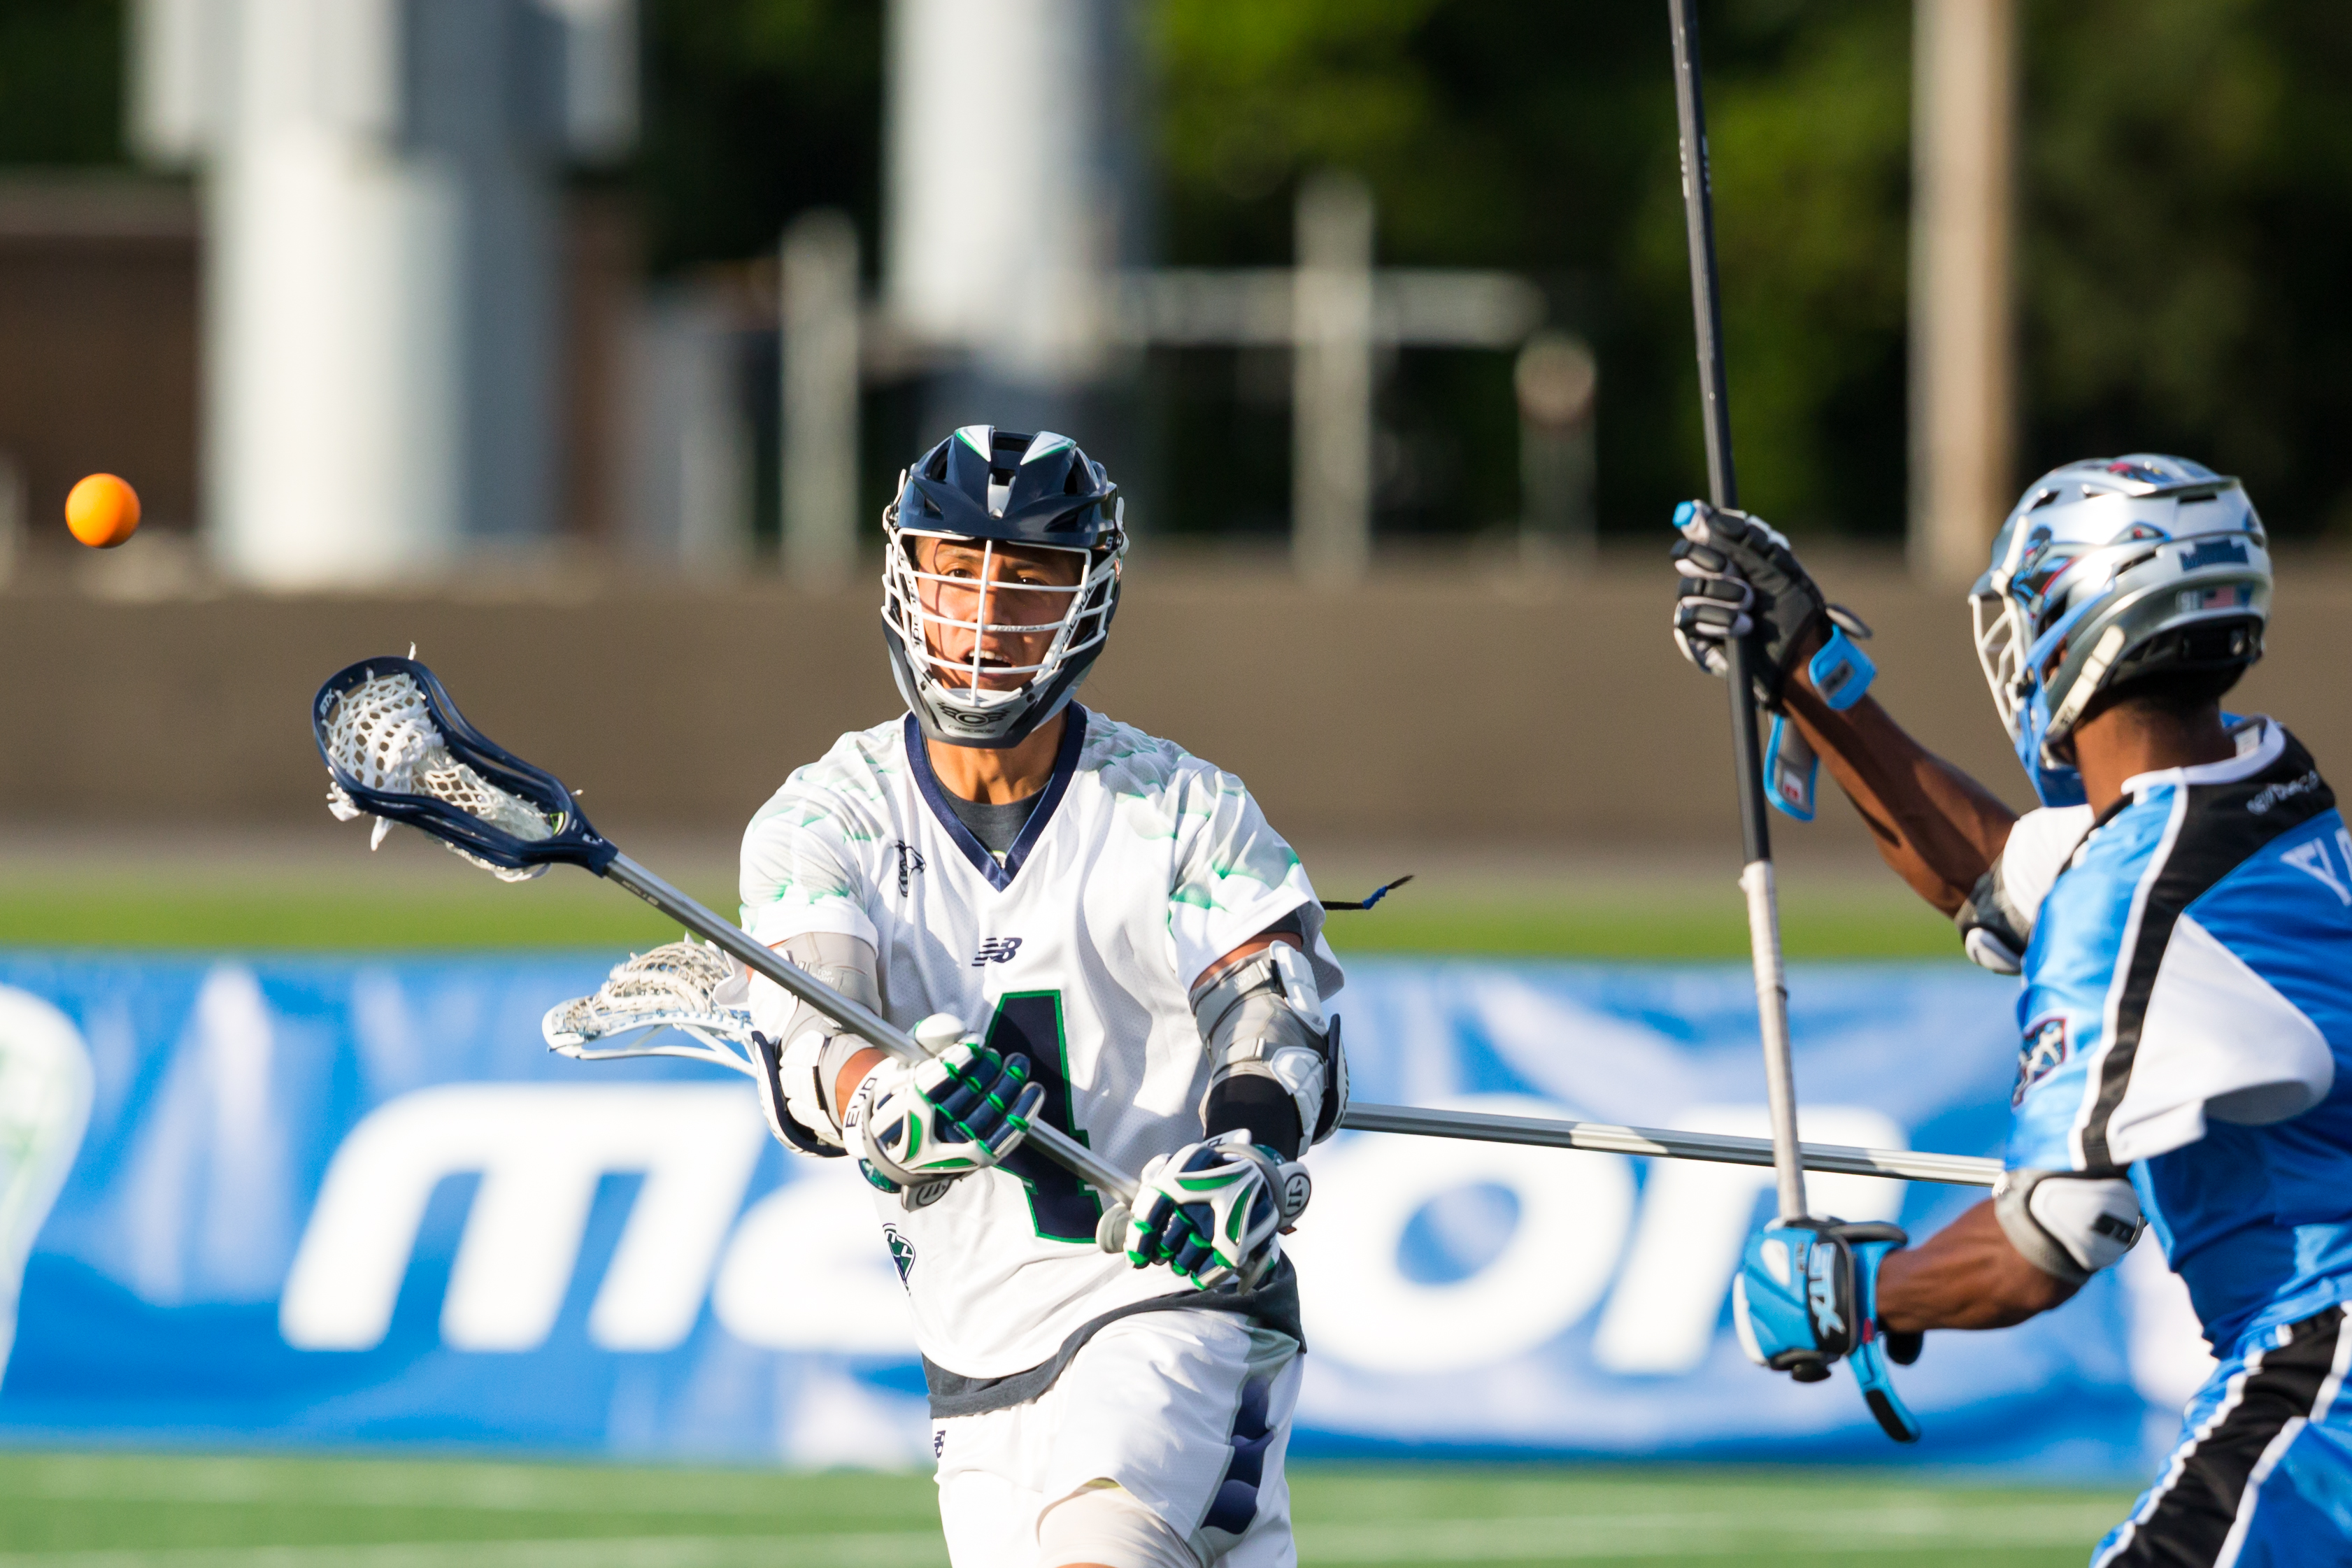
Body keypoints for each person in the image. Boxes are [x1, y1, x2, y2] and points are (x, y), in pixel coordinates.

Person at [1674, 455, 2352, 1565]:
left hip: (2327, 1386)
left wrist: (1855, 1288)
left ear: (2083, 629)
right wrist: (1798, 668)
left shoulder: (2132, 902)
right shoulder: (2260, 785)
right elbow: (1991, 868)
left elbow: (2047, 1241)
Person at [737, 425, 1346, 1568]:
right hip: (978, 1375)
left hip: (1176, 1308)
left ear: (1090, 596)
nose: (981, 613)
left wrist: (1246, 1152)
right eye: (954, 570)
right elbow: (818, 1022)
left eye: (1024, 580)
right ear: (903, 575)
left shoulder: (1183, 809)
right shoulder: (823, 817)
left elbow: (1271, 1013)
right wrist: (886, 1101)